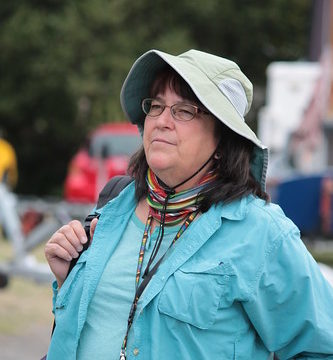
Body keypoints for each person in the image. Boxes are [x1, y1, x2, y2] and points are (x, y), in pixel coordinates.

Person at [44, 49, 333, 360]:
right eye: (155, 106)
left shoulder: (261, 233)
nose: (162, 121)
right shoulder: (115, 207)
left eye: (184, 110)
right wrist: (69, 278)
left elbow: (321, 349)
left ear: (223, 139)